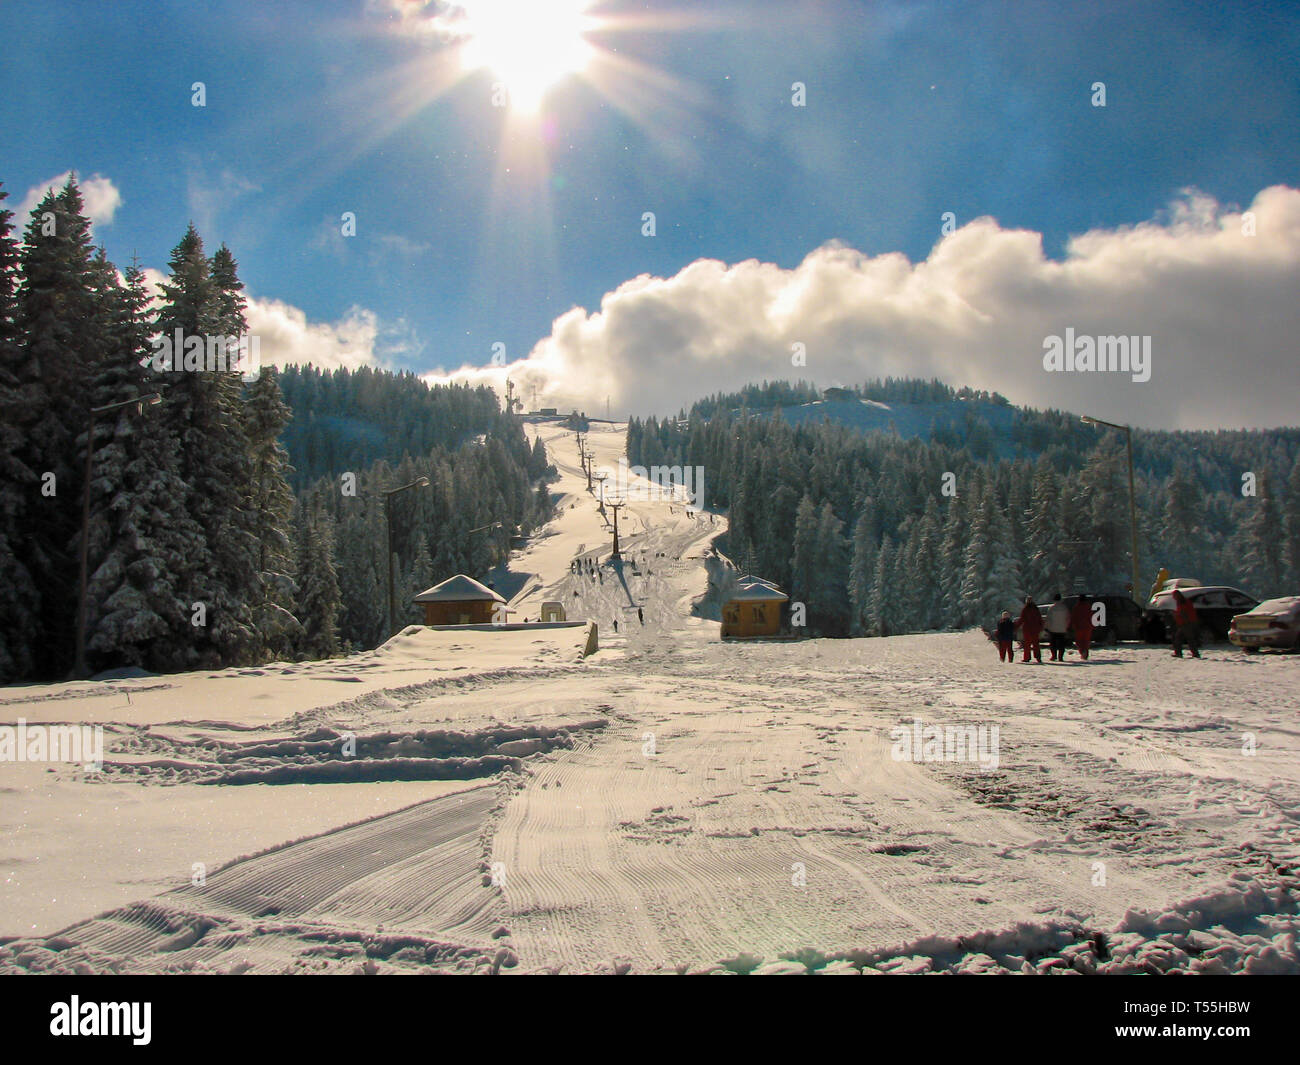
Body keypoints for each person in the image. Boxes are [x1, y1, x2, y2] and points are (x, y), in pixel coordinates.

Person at [1171, 589, 1201, 658]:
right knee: (1184, 638)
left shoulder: (1182, 602)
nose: (1173, 598)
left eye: (1174, 596)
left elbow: (1183, 613)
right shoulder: (1183, 601)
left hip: (1186, 623)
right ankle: (1194, 653)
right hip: (1187, 622)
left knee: (1184, 638)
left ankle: (1193, 653)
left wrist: (1176, 615)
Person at [1016, 596, 1043, 663]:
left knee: (1027, 644)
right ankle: (1038, 657)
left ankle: (1027, 658)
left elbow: (1022, 619)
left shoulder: (1025, 609)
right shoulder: (1036, 608)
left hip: (1027, 628)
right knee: (1036, 643)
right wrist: (1040, 627)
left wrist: (1015, 626)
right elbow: (1040, 618)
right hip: (1035, 628)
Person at [1045, 593, 1071, 661]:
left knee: (1053, 644)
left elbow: (1048, 619)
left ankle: (1054, 656)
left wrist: (1047, 627)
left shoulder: (1051, 608)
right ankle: (1060, 657)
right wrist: (1067, 626)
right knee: (1061, 644)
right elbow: (1068, 618)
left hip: (1053, 629)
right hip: (1062, 629)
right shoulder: (1064, 608)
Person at [1070, 594, 1095, 661]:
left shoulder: (1076, 607)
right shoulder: (1088, 607)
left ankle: (1082, 652)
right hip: (1087, 627)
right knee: (1086, 641)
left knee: (1079, 641)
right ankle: (1085, 652)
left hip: (1079, 627)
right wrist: (1092, 625)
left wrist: (1072, 625)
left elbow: (1073, 617)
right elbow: (1091, 617)